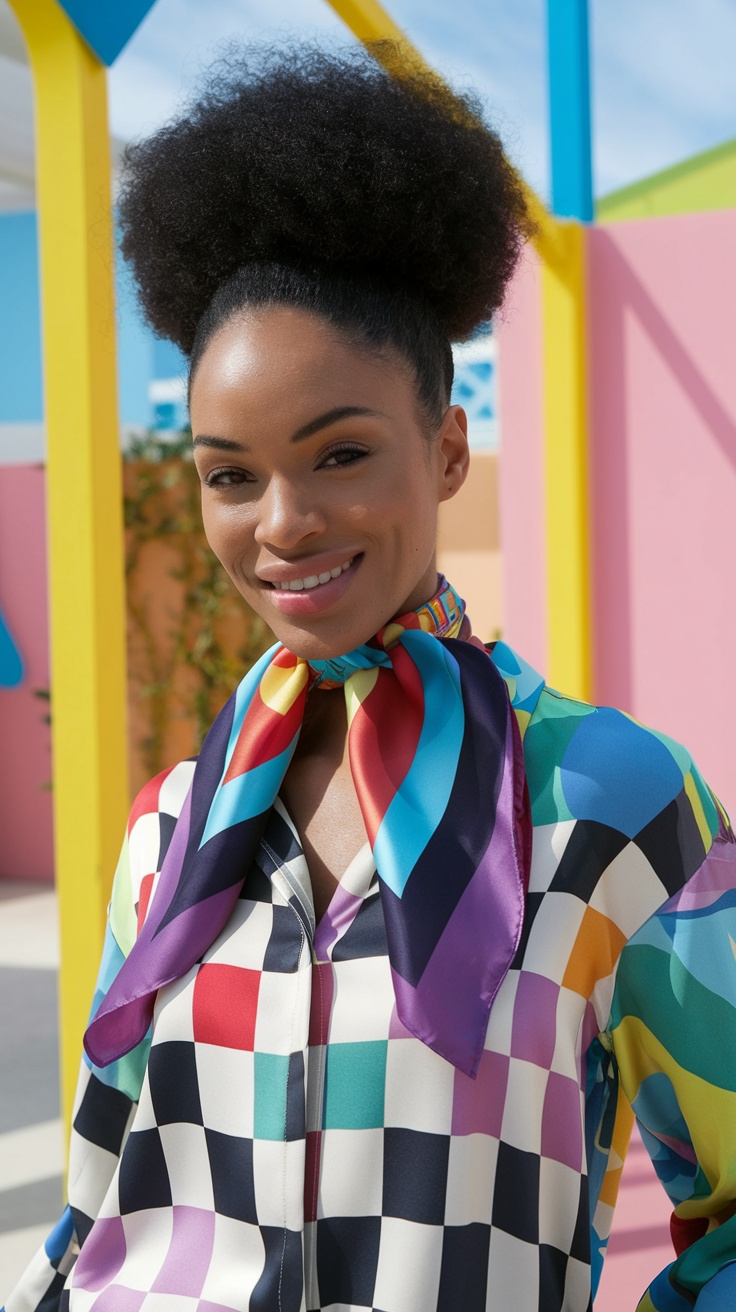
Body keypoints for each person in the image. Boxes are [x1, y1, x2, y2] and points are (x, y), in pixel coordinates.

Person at [5, 42, 736, 1312]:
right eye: (230, 472)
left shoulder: (614, 803)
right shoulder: (172, 830)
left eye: (339, 453)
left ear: (446, 448)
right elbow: (97, 1196)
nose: (280, 522)